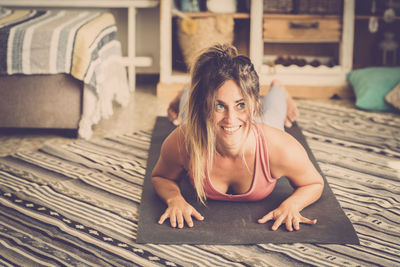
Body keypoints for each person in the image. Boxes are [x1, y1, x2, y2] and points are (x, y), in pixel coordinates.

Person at [152, 44, 324, 232]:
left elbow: (314, 183)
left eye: (240, 104)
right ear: (203, 106)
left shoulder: (280, 147)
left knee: (274, 110)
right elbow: (161, 177)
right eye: (219, 106)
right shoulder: (183, 141)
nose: (230, 118)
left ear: (253, 103)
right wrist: (174, 199)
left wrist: (291, 205)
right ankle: (186, 91)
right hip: (204, 125)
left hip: (263, 125)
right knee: (186, 113)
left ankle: (278, 88)